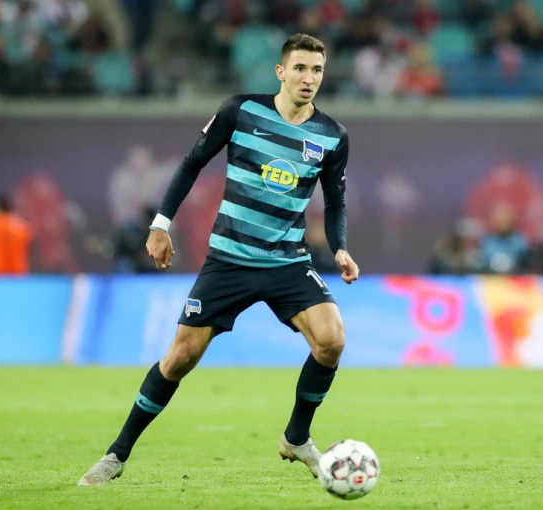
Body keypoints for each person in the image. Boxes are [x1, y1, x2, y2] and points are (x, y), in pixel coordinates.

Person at [78, 33, 359, 486]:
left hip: (288, 261)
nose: (309, 78)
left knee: (332, 340)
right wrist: (161, 224)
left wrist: (340, 246)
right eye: (300, 68)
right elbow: (192, 162)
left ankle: (296, 437)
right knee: (180, 357)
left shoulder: (332, 135)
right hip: (229, 259)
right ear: (281, 72)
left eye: (317, 70)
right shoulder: (241, 111)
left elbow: (336, 201)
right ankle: (117, 454)